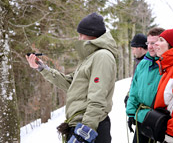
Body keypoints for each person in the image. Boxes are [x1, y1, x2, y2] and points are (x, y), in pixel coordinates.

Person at [25, 12, 118, 143]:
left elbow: (98, 98)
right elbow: (71, 84)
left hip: (91, 129)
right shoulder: (90, 57)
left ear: (93, 34)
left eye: (81, 34)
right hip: (80, 125)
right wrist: (42, 68)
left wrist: (85, 132)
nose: (79, 38)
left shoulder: (102, 56)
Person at [126, 27, 165, 143]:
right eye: (148, 43)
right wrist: (131, 112)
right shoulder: (143, 64)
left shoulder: (167, 64)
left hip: (160, 120)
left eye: (154, 43)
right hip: (142, 118)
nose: (150, 46)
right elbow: (134, 90)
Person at [124, 33, 148, 106]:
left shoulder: (149, 63)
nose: (133, 52)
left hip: (143, 105)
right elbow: (134, 83)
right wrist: (129, 94)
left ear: (140, 48)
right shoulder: (138, 62)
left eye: (133, 49)